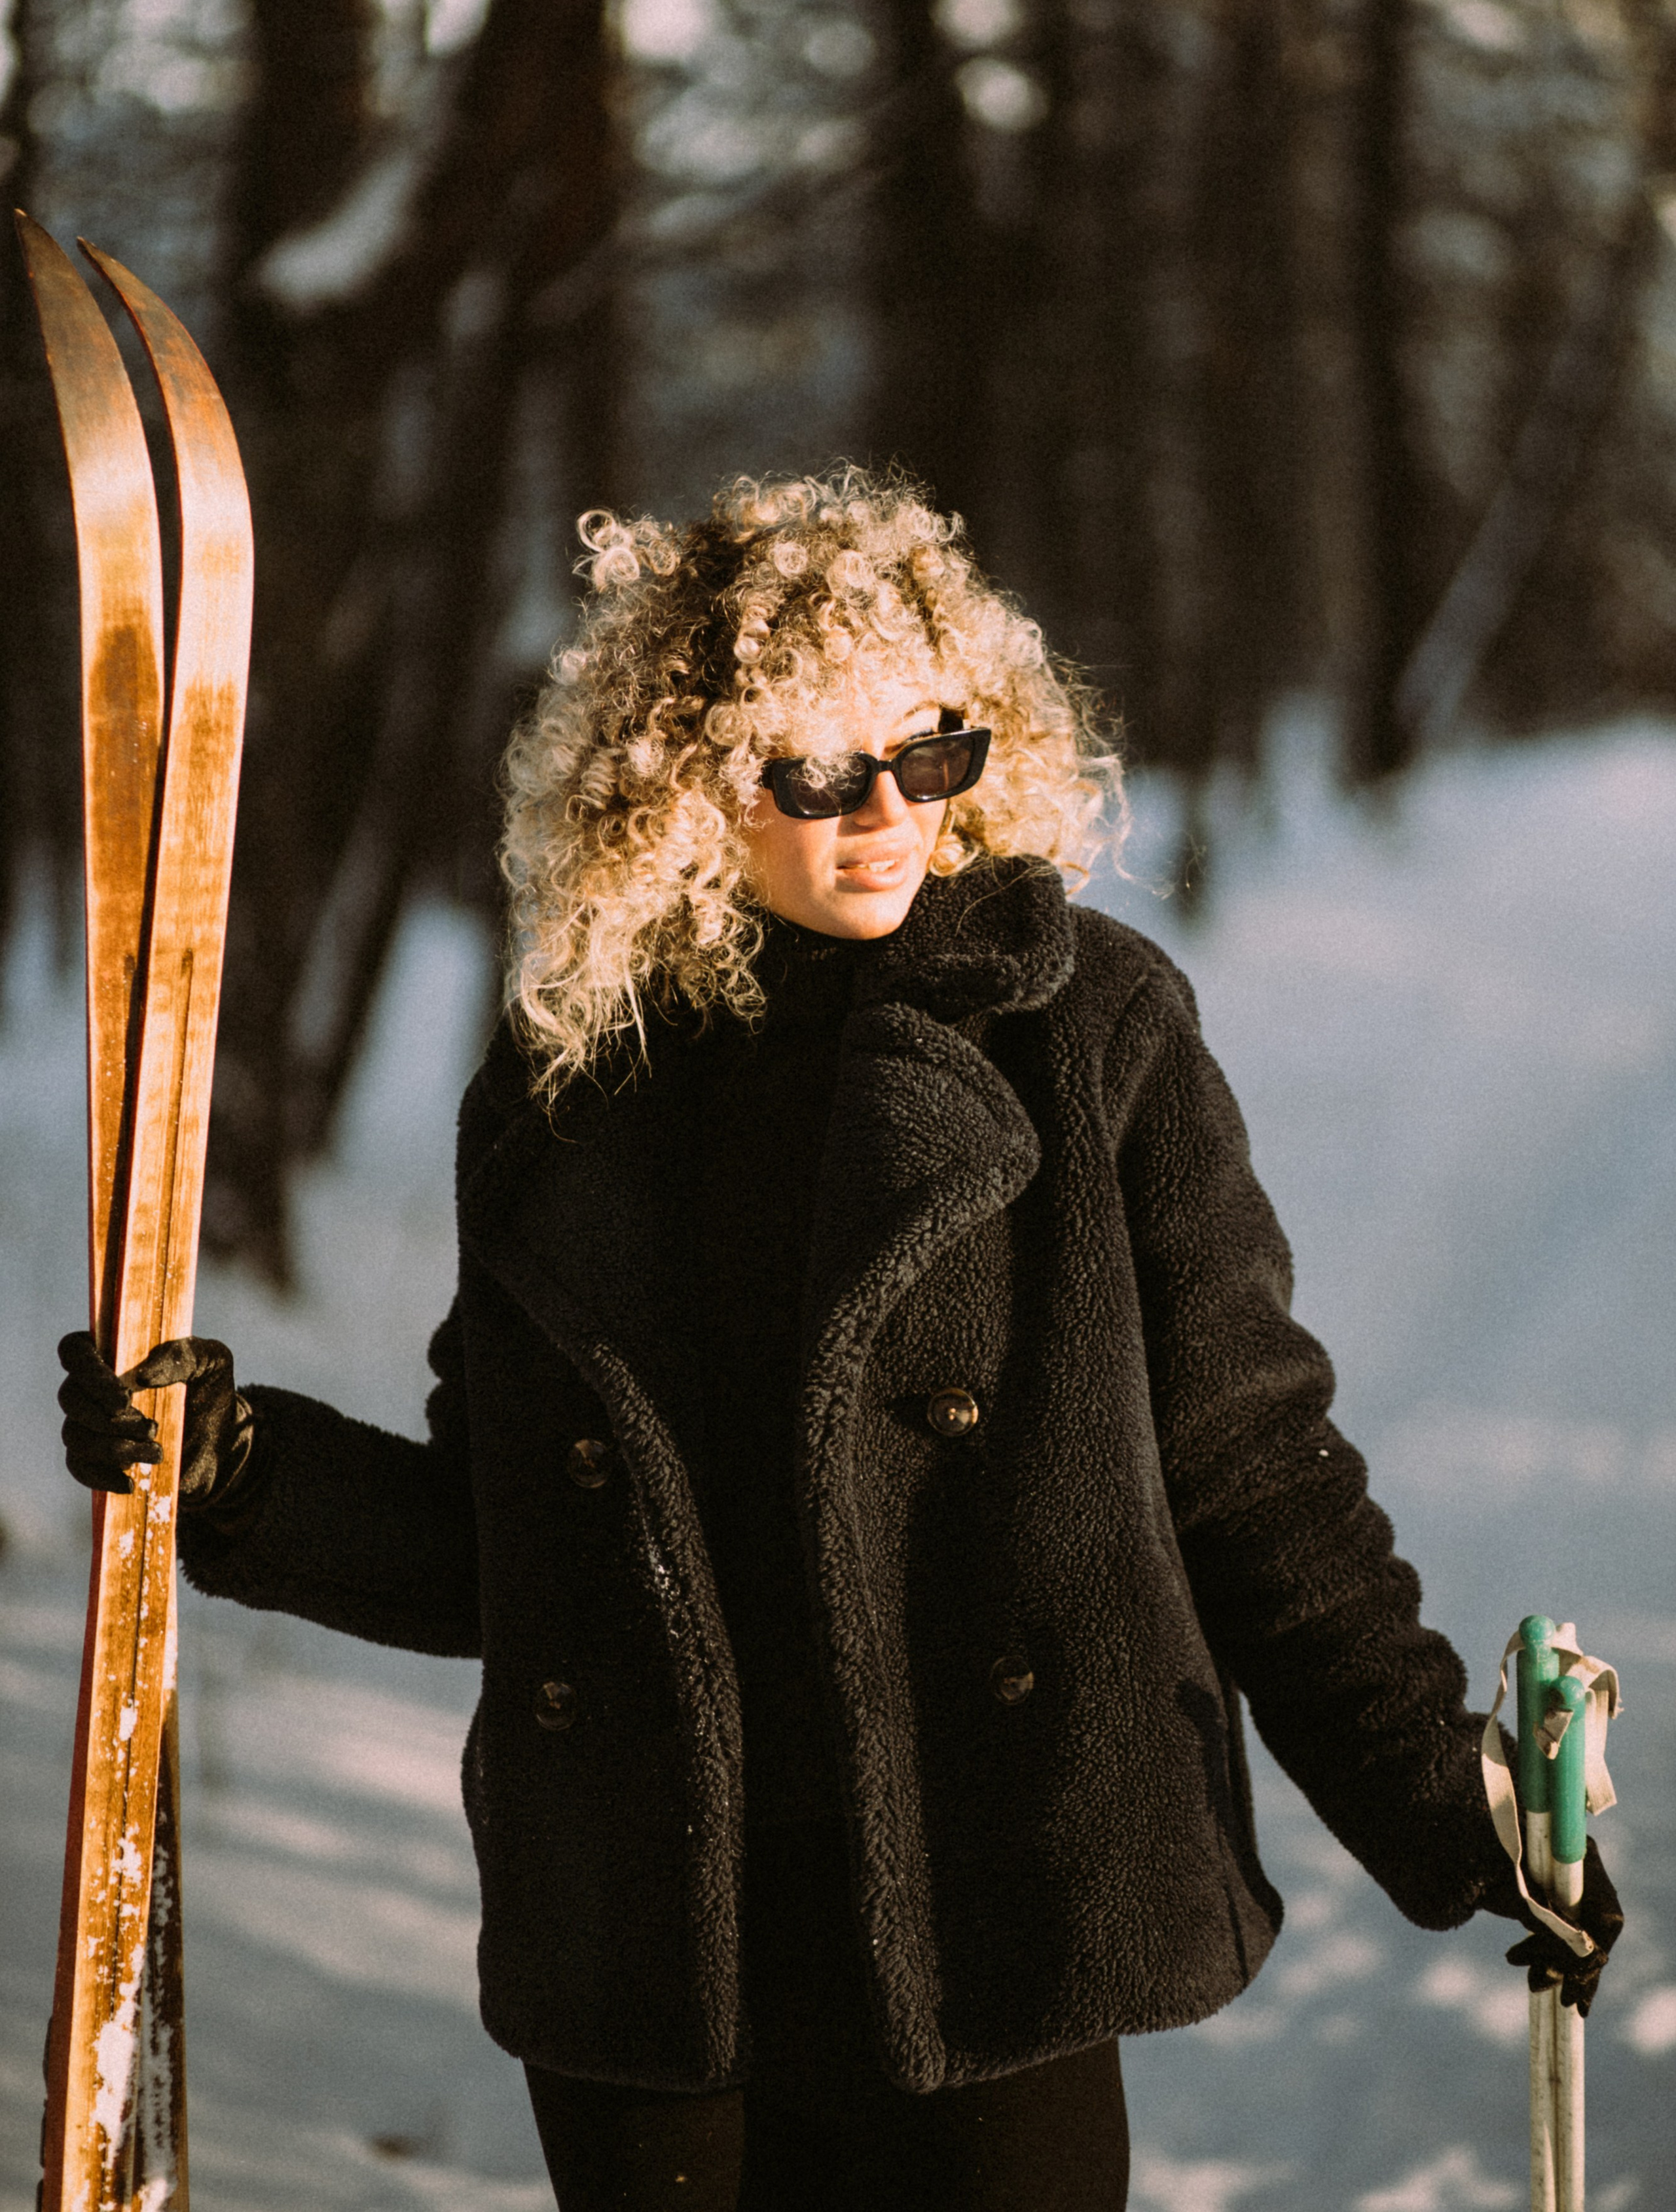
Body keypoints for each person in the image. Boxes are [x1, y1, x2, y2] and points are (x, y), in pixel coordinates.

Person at [58, 470, 1619, 2211]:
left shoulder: (1090, 1034)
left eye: (933, 753)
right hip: (665, 1962)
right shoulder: (577, 1084)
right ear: (683, 784)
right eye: (816, 768)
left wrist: (1444, 1798)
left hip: (986, 1922)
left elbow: (1248, 1463)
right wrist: (246, 1471)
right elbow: (512, 1549)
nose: (888, 811)